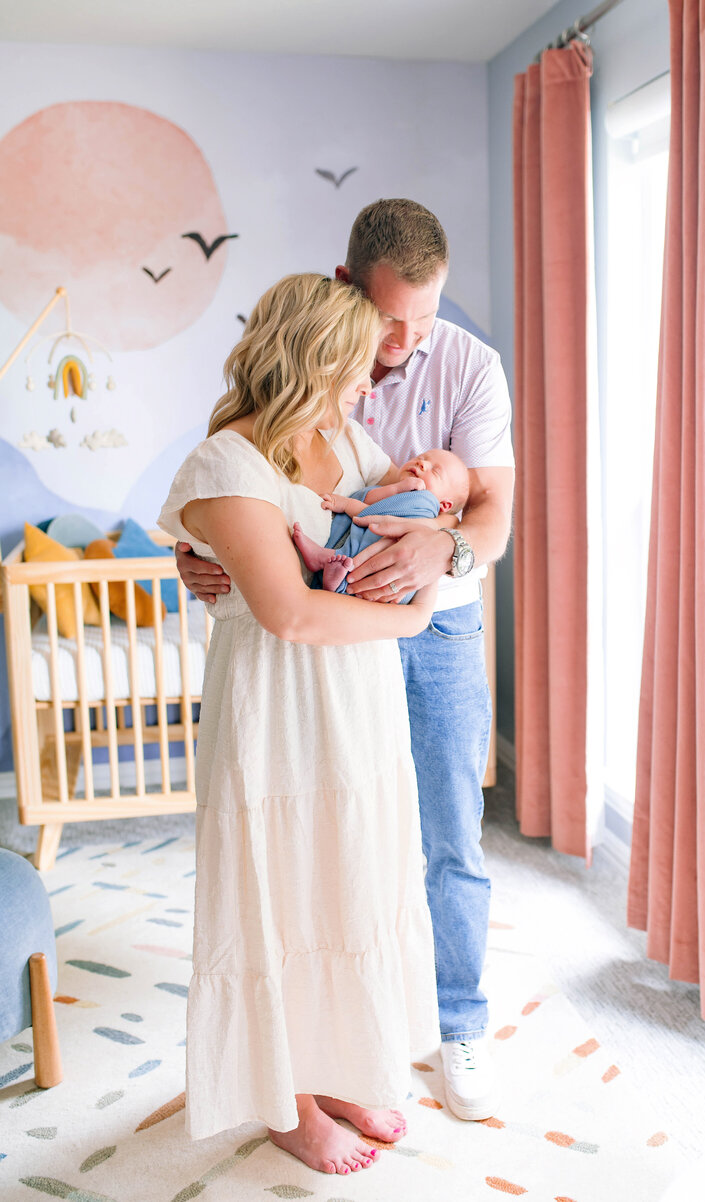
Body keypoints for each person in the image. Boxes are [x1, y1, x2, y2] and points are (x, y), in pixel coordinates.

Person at [176, 199, 515, 1122]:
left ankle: (447, 1030)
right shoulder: (303, 390)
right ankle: (300, 1086)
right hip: (308, 669)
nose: (402, 345)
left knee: (431, 839)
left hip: (416, 630)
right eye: (389, 323)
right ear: (346, 296)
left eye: (423, 318)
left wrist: (439, 549)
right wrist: (209, 549)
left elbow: (491, 515)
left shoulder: (461, 373)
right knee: (309, 862)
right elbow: (259, 513)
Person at [159, 273, 440, 1176]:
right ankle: (291, 1099)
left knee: (350, 876)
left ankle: (342, 1062)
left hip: (355, 701)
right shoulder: (225, 465)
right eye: (358, 367)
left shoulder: (342, 438)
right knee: (282, 889)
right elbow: (291, 614)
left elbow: (411, 529)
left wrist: (427, 552)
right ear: (317, 359)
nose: (370, 386)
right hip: (278, 706)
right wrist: (408, 618)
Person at [292, 447, 470, 598]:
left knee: (375, 544)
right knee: (357, 545)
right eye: (419, 458)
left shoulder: (424, 503)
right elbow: (370, 501)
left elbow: (371, 512)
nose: (421, 464)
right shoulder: (396, 492)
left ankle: (328, 562)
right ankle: (334, 577)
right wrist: (396, 489)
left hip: (388, 571)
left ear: (445, 505)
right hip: (369, 581)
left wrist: (346, 504)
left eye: (435, 471)